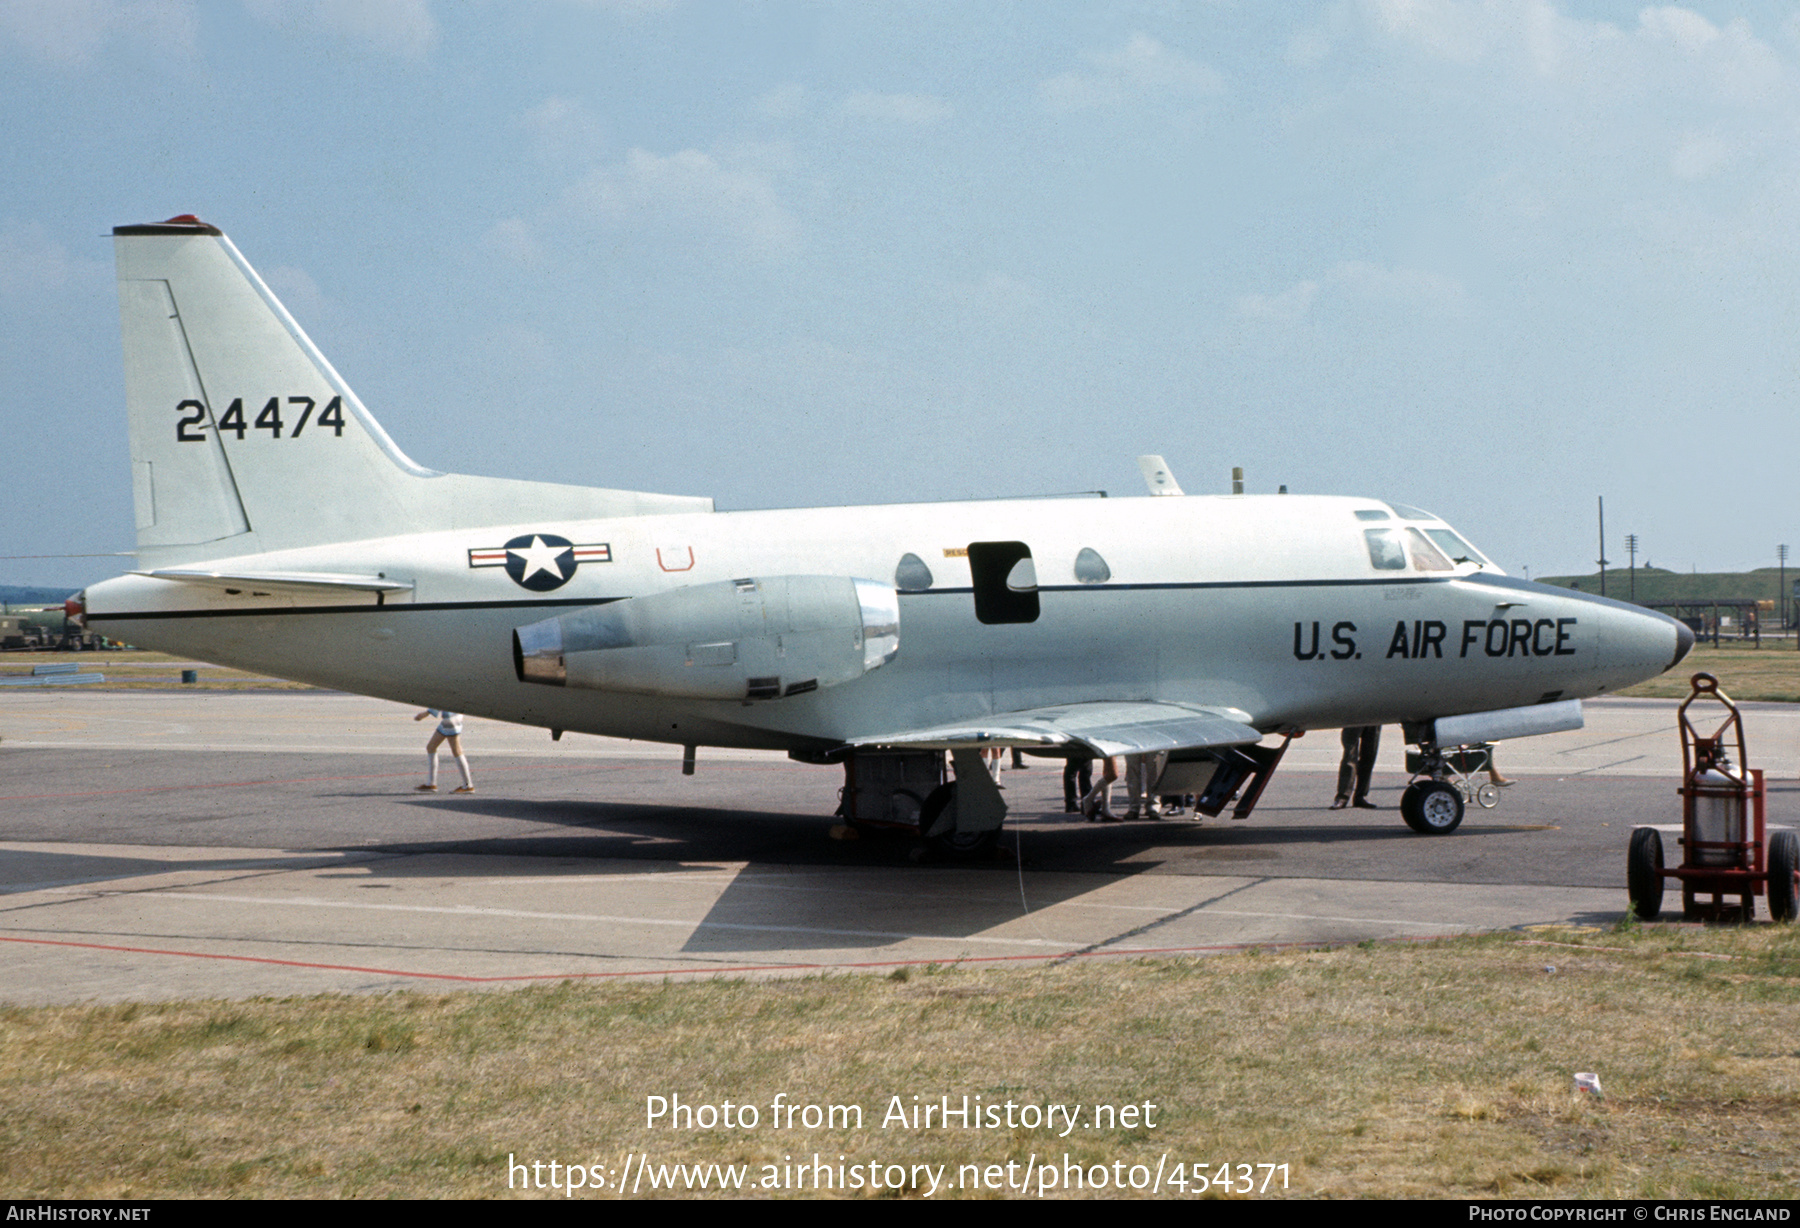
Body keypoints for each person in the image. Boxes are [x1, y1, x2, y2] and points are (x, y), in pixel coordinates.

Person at [415, 709, 474, 793]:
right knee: (431, 747)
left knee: (456, 750)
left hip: (450, 719)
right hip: (451, 718)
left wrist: (426, 713)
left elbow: (443, 699)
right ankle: (431, 784)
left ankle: (468, 785)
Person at [1332, 725, 1380, 809]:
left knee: (1369, 756)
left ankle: (1361, 796)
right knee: (1350, 756)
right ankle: (1342, 796)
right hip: (1355, 716)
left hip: (1374, 716)